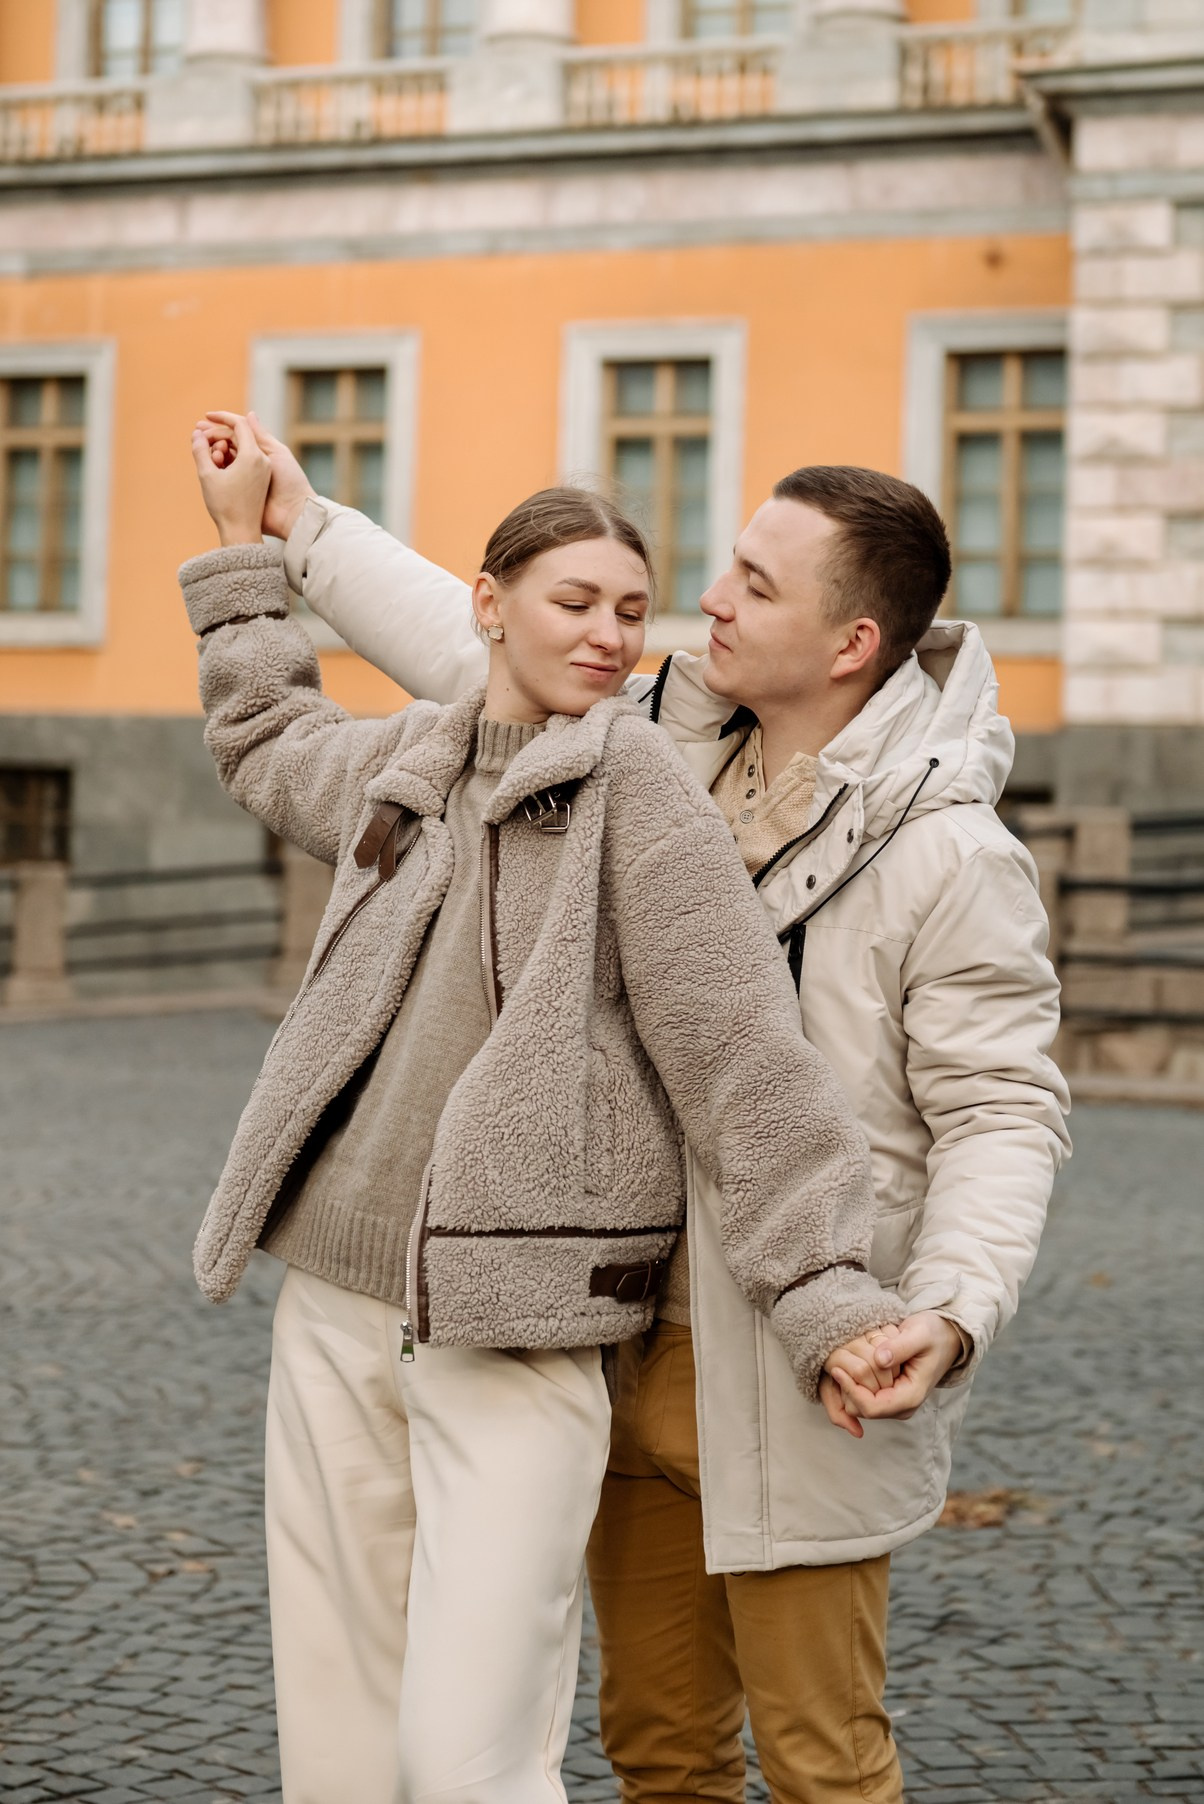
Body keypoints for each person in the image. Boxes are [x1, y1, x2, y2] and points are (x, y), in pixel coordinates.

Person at [205, 410, 1072, 1804]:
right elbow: (483, 644)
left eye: (755, 585)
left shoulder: (950, 855)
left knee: (822, 1758)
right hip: (606, 1326)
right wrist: (299, 526)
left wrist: (951, 1305)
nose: (705, 601)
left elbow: (1000, 1111)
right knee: (660, 1750)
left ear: (850, 643)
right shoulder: (649, 734)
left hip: (799, 1355)